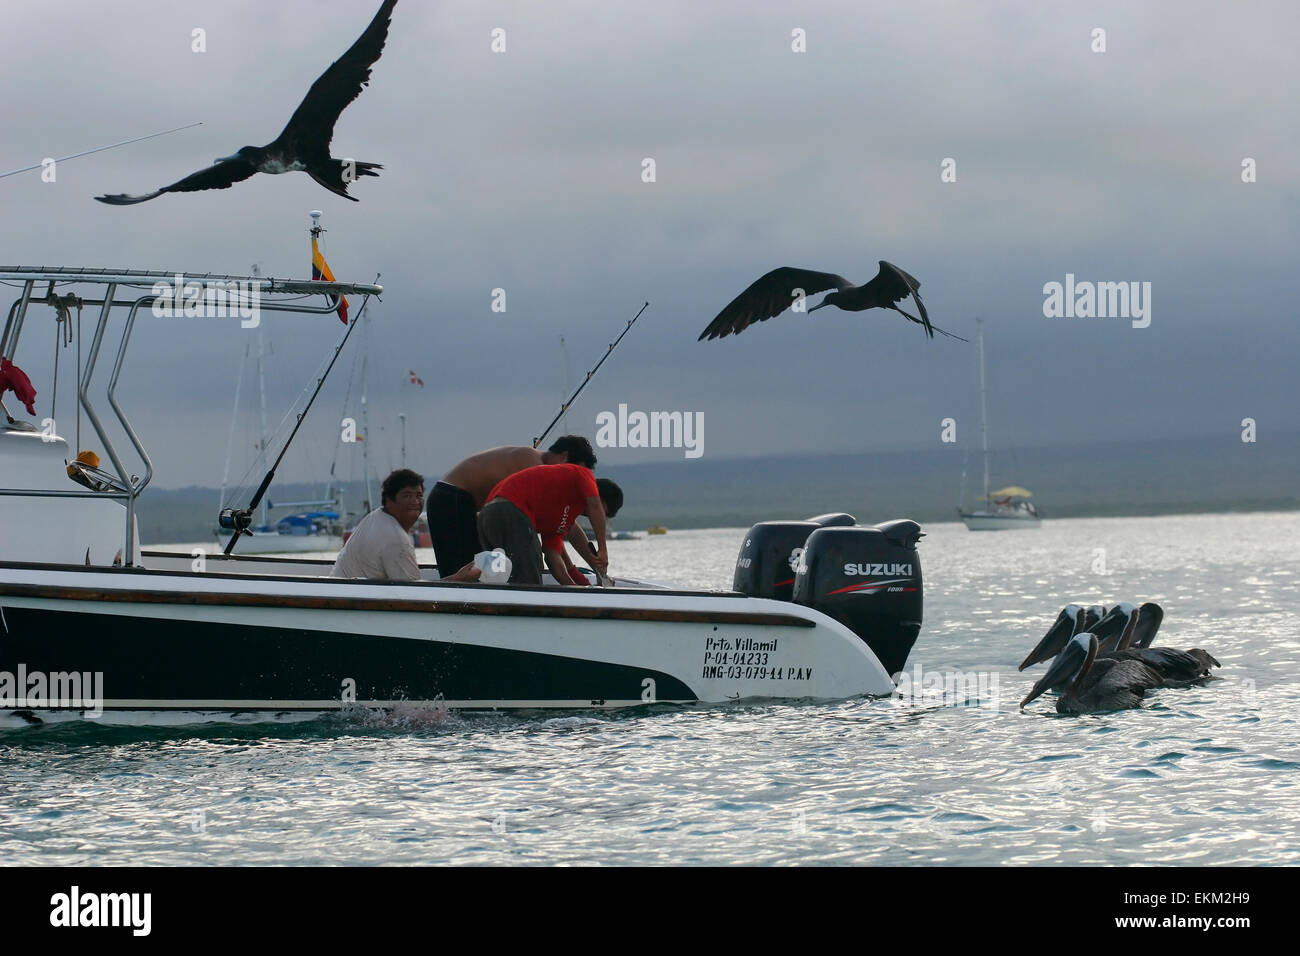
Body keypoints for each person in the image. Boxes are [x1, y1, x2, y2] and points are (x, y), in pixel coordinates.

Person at [427, 436, 599, 578]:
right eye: (574, 471)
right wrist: (570, 569)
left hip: (467, 506)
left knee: (478, 571)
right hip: (450, 498)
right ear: (563, 457)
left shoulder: (538, 466)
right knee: (462, 573)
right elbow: (564, 526)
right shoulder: (532, 461)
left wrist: (595, 566)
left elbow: (565, 524)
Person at [477, 463, 623, 586]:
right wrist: (603, 550)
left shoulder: (560, 520)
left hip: (487, 516)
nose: (595, 516)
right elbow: (595, 506)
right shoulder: (584, 475)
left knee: (497, 578)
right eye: (603, 513)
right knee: (529, 580)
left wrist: (574, 589)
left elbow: (553, 558)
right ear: (600, 500)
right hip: (510, 510)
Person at [332, 468, 479, 582]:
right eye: (407, 496)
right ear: (389, 500)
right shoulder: (396, 540)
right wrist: (459, 579)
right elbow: (415, 595)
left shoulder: (375, 517)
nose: (415, 502)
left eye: (419, 495)